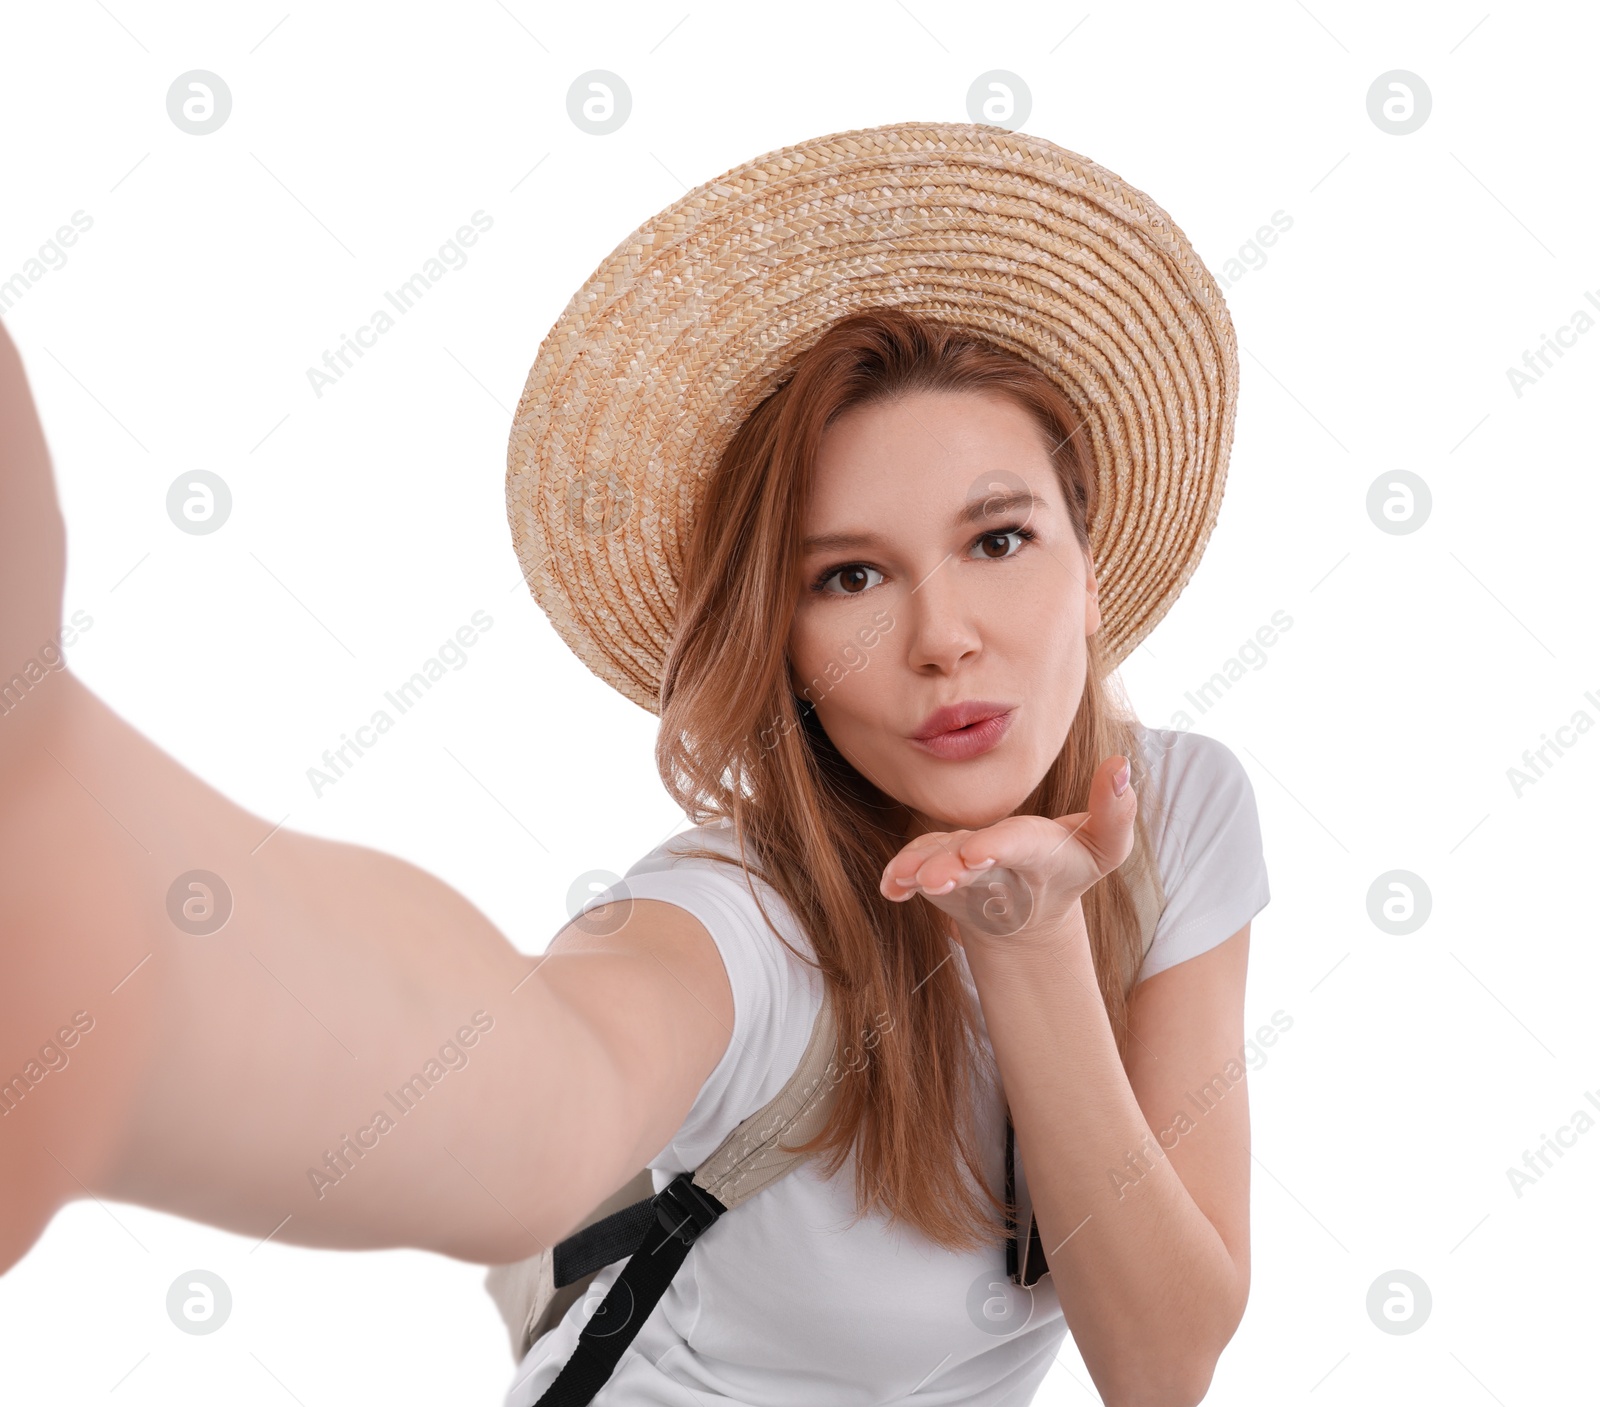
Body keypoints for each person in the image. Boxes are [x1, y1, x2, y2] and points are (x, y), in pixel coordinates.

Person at [1, 122, 1268, 1407]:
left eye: (997, 540)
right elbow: (548, 1082)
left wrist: (1031, 942)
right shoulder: (746, 913)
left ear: (1090, 573)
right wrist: (120, 954)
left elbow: (1161, 1364)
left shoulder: (1179, 814)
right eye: (848, 576)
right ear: (783, 646)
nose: (940, 638)